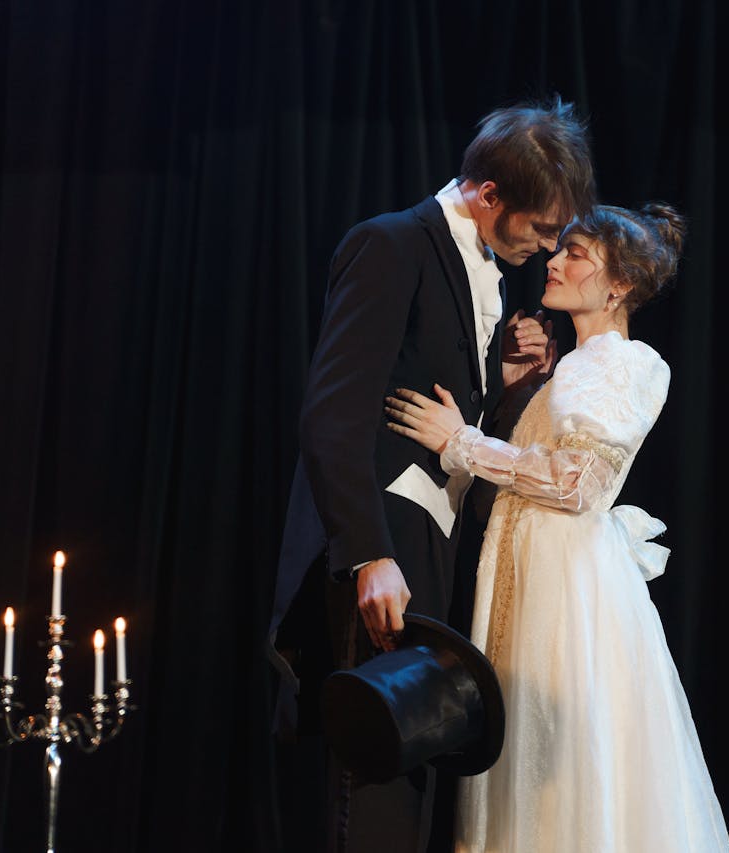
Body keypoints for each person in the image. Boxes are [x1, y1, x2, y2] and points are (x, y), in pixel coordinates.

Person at [268, 99, 596, 853]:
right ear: (490, 195)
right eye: (543, 227)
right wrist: (367, 554)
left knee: (414, 779)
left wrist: (507, 385)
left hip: (434, 549)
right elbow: (333, 414)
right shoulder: (391, 245)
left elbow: (449, 419)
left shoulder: (485, 270)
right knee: (375, 784)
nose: (549, 246)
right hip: (383, 547)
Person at [385, 203, 729, 852]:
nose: (555, 261)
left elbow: (579, 484)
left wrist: (460, 441)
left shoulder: (626, 362)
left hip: (568, 590)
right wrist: (517, 391)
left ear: (618, 284)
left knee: (560, 768)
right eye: (560, 248)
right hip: (531, 573)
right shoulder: (573, 367)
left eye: (576, 254)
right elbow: (529, 471)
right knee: (527, 760)